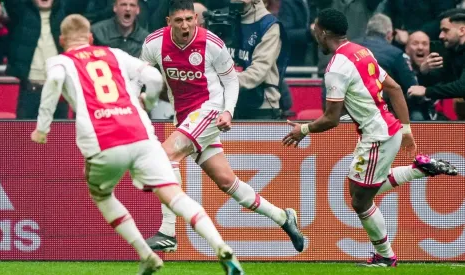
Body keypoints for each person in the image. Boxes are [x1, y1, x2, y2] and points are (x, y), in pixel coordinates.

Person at [30, 14, 243, 275]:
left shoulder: (60, 61)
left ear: (62, 40)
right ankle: (221, 246)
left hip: (103, 139)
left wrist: (42, 128)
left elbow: (52, 81)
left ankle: (147, 255)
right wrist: (150, 103)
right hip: (141, 133)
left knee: (101, 194)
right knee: (174, 195)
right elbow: (153, 78)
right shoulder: (115, 54)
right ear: (90, 38)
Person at [283, 8, 458, 267]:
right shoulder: (360, 52)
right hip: (385, 130)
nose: (314, 35)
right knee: (362, 192)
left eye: (315, 30)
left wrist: (303, 130)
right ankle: (419, 169)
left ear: (323, 32)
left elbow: (331, 118)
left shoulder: (336, 67)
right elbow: (396, 89)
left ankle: (385, 257)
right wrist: (406, 130)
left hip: (377, 136)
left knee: (360, 200)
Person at [140, 0, 305, 253]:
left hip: (210, 109)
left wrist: (228, 110)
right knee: (227, 182)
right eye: (179, 21)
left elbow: (230, 81)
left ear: (196, 18)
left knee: (165, 156)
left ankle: (168, 231)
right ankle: (283, 217)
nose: (185, 25)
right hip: (184, 116)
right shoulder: (153, 43)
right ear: (168, 22)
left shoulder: (212, 44)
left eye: (189, 19)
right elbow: (144, 77)